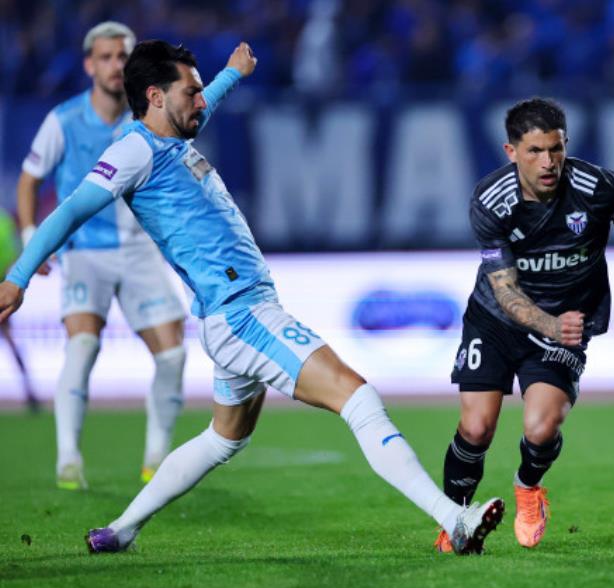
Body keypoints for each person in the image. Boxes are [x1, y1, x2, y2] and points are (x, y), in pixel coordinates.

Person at [0, 39, 503, 555]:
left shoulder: (172, 135)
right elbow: (71, 210)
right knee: (359, 399)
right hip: (241, 313)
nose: (201, 101)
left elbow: (206, 102)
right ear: (155, 96)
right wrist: (18, 277)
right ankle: (454, 519)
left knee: (224, 438)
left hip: (234, 312)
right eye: (191, 92)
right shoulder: (133, 151)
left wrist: (231, 74)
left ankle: (121, 530)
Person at [435, 98, 614, 552]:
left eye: (556, 149)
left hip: (568, 318)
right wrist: (550, 325)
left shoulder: (595, 187)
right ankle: (454, 519)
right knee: (476, 429)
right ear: (511, 152)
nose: (548, 162)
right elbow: (505, 291)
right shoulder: (491, 201)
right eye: (535, 151)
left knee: (541, 428)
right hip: (496, 320)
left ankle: (528, 488)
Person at [16, 22, 187, 490]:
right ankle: (68, 460)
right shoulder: (65, 120)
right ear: (90, 65)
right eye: (106, 57)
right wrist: (32, 236)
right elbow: (29, 180)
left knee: (173, 355)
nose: (116, 65)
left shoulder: (150, 118)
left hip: (139, 250)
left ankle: (156, 460)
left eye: (123, 57)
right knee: (83, 345)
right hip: (85, 252)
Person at [0, 208, 40, 413]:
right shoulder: (5, 221)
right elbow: (13, 256)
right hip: (2, 287)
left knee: (11, 342)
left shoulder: (4, 222)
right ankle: (29, 391)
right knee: (11, 342)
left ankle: (29, 391)